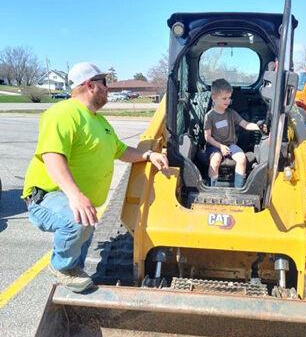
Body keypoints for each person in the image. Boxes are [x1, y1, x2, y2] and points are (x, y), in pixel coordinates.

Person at [22, 62, 168, 293]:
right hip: (48, 196)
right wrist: (76, 196)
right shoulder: (63, 113)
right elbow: (52, 157)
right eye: (105, 83)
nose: (108, 88)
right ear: (90, 85)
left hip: (79, 202)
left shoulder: (100, 122)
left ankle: (72, 287)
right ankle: (61, 267)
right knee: (76, 222)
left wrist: (148, 155)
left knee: (80, 256)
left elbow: (120, 151)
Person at [204, 78, 264, 187]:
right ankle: (212, 188)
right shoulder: (209, 117)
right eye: (224, 98)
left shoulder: (231, 113)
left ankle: (239, 189)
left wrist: (260, 127)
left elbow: (245, 124)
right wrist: (220, 146)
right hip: (215, 146)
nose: (228, 101)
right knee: (215, 160)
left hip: (230, 145)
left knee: (241, 158)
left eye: (229, 98)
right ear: (214, 98)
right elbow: (207, 138)